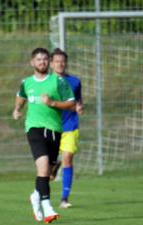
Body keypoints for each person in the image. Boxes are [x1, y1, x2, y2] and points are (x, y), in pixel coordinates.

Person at [12, 47, 75, 224]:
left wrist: (53, 102)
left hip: (55, 130)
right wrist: (17, 109)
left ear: (49, 62)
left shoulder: (58, 82)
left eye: (45, 59)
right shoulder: (27, 82)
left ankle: (36, 196)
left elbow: (71, 104)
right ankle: (47, 206)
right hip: (34, 128)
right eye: (39, 60)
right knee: (43, 166)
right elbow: (21, 96)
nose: (42, 62)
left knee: (48, 171)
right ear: (32, 62)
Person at [50, 48, 83, 209]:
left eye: (63, 61)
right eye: (57, 61)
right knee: (48, 167)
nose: (60, 64)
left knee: (68, 158)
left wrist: (79, 107)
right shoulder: (46, 82)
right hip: (51, 127)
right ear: (51, 64)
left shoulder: (75, 82)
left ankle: (64, 198)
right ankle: (53, 167)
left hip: (70, 126)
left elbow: (78, 101)